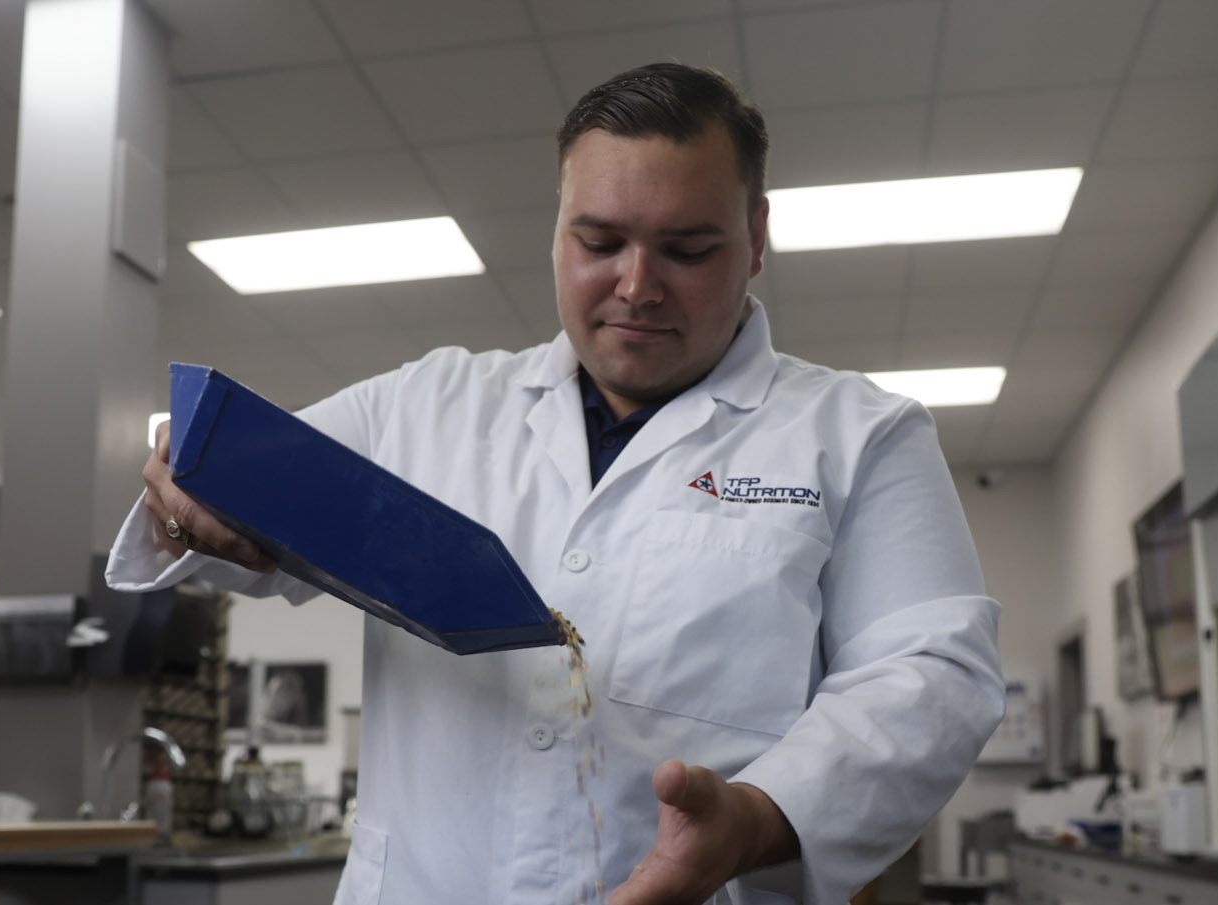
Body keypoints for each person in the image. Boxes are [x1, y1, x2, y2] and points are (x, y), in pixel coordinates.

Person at [109, 63, 1003, 905]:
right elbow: (237, 521)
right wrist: (188, 489)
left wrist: (759, 816)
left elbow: (930, 674)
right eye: (600, 241)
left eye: (688, 248)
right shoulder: (422, 406)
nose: (637, 285)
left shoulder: (859, 436)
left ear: (757, 239)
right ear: (557, 231)